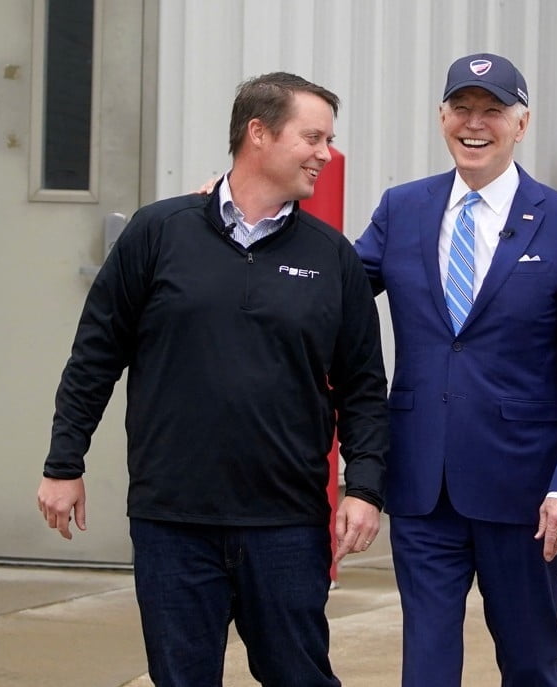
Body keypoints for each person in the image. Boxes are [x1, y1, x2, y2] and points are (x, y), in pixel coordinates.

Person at [36, 72, 389, 687]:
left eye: (328, 140)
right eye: (313, 137)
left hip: (285, 523)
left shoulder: (332, 257)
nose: (325, 155)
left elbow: (363, 386)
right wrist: (64, 463)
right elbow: (95, 353)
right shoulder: (158, 232)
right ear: (259, 133)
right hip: (172, 519)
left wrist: (363, 487)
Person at [353, 53, 557, 686]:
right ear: (442, 117)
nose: (475, 124)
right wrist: (238, 228)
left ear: (521, 124)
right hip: (422, 482)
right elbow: (331, 290)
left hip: (525, 492)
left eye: (492, 111)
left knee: (530, 660)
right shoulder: (402, 208)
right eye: (462, 109)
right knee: (428, 665)